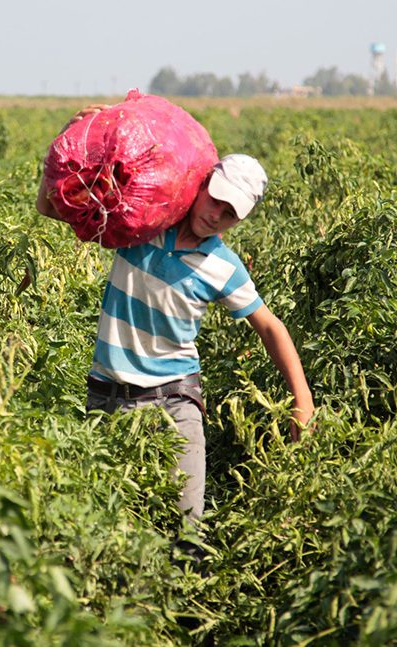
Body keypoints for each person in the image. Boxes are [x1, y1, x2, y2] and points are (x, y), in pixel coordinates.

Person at [37, 140, 315, 527]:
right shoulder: (142, 223)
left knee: (186, 532)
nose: (217, 215)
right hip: (106, 398)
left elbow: (270, 327)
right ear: (201, 184)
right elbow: (49, 207)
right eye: (215, 199)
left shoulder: (223, 267)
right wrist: (73, 140)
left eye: (231, 213)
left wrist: (302, 398)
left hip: (174, 399)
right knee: (104, 528)